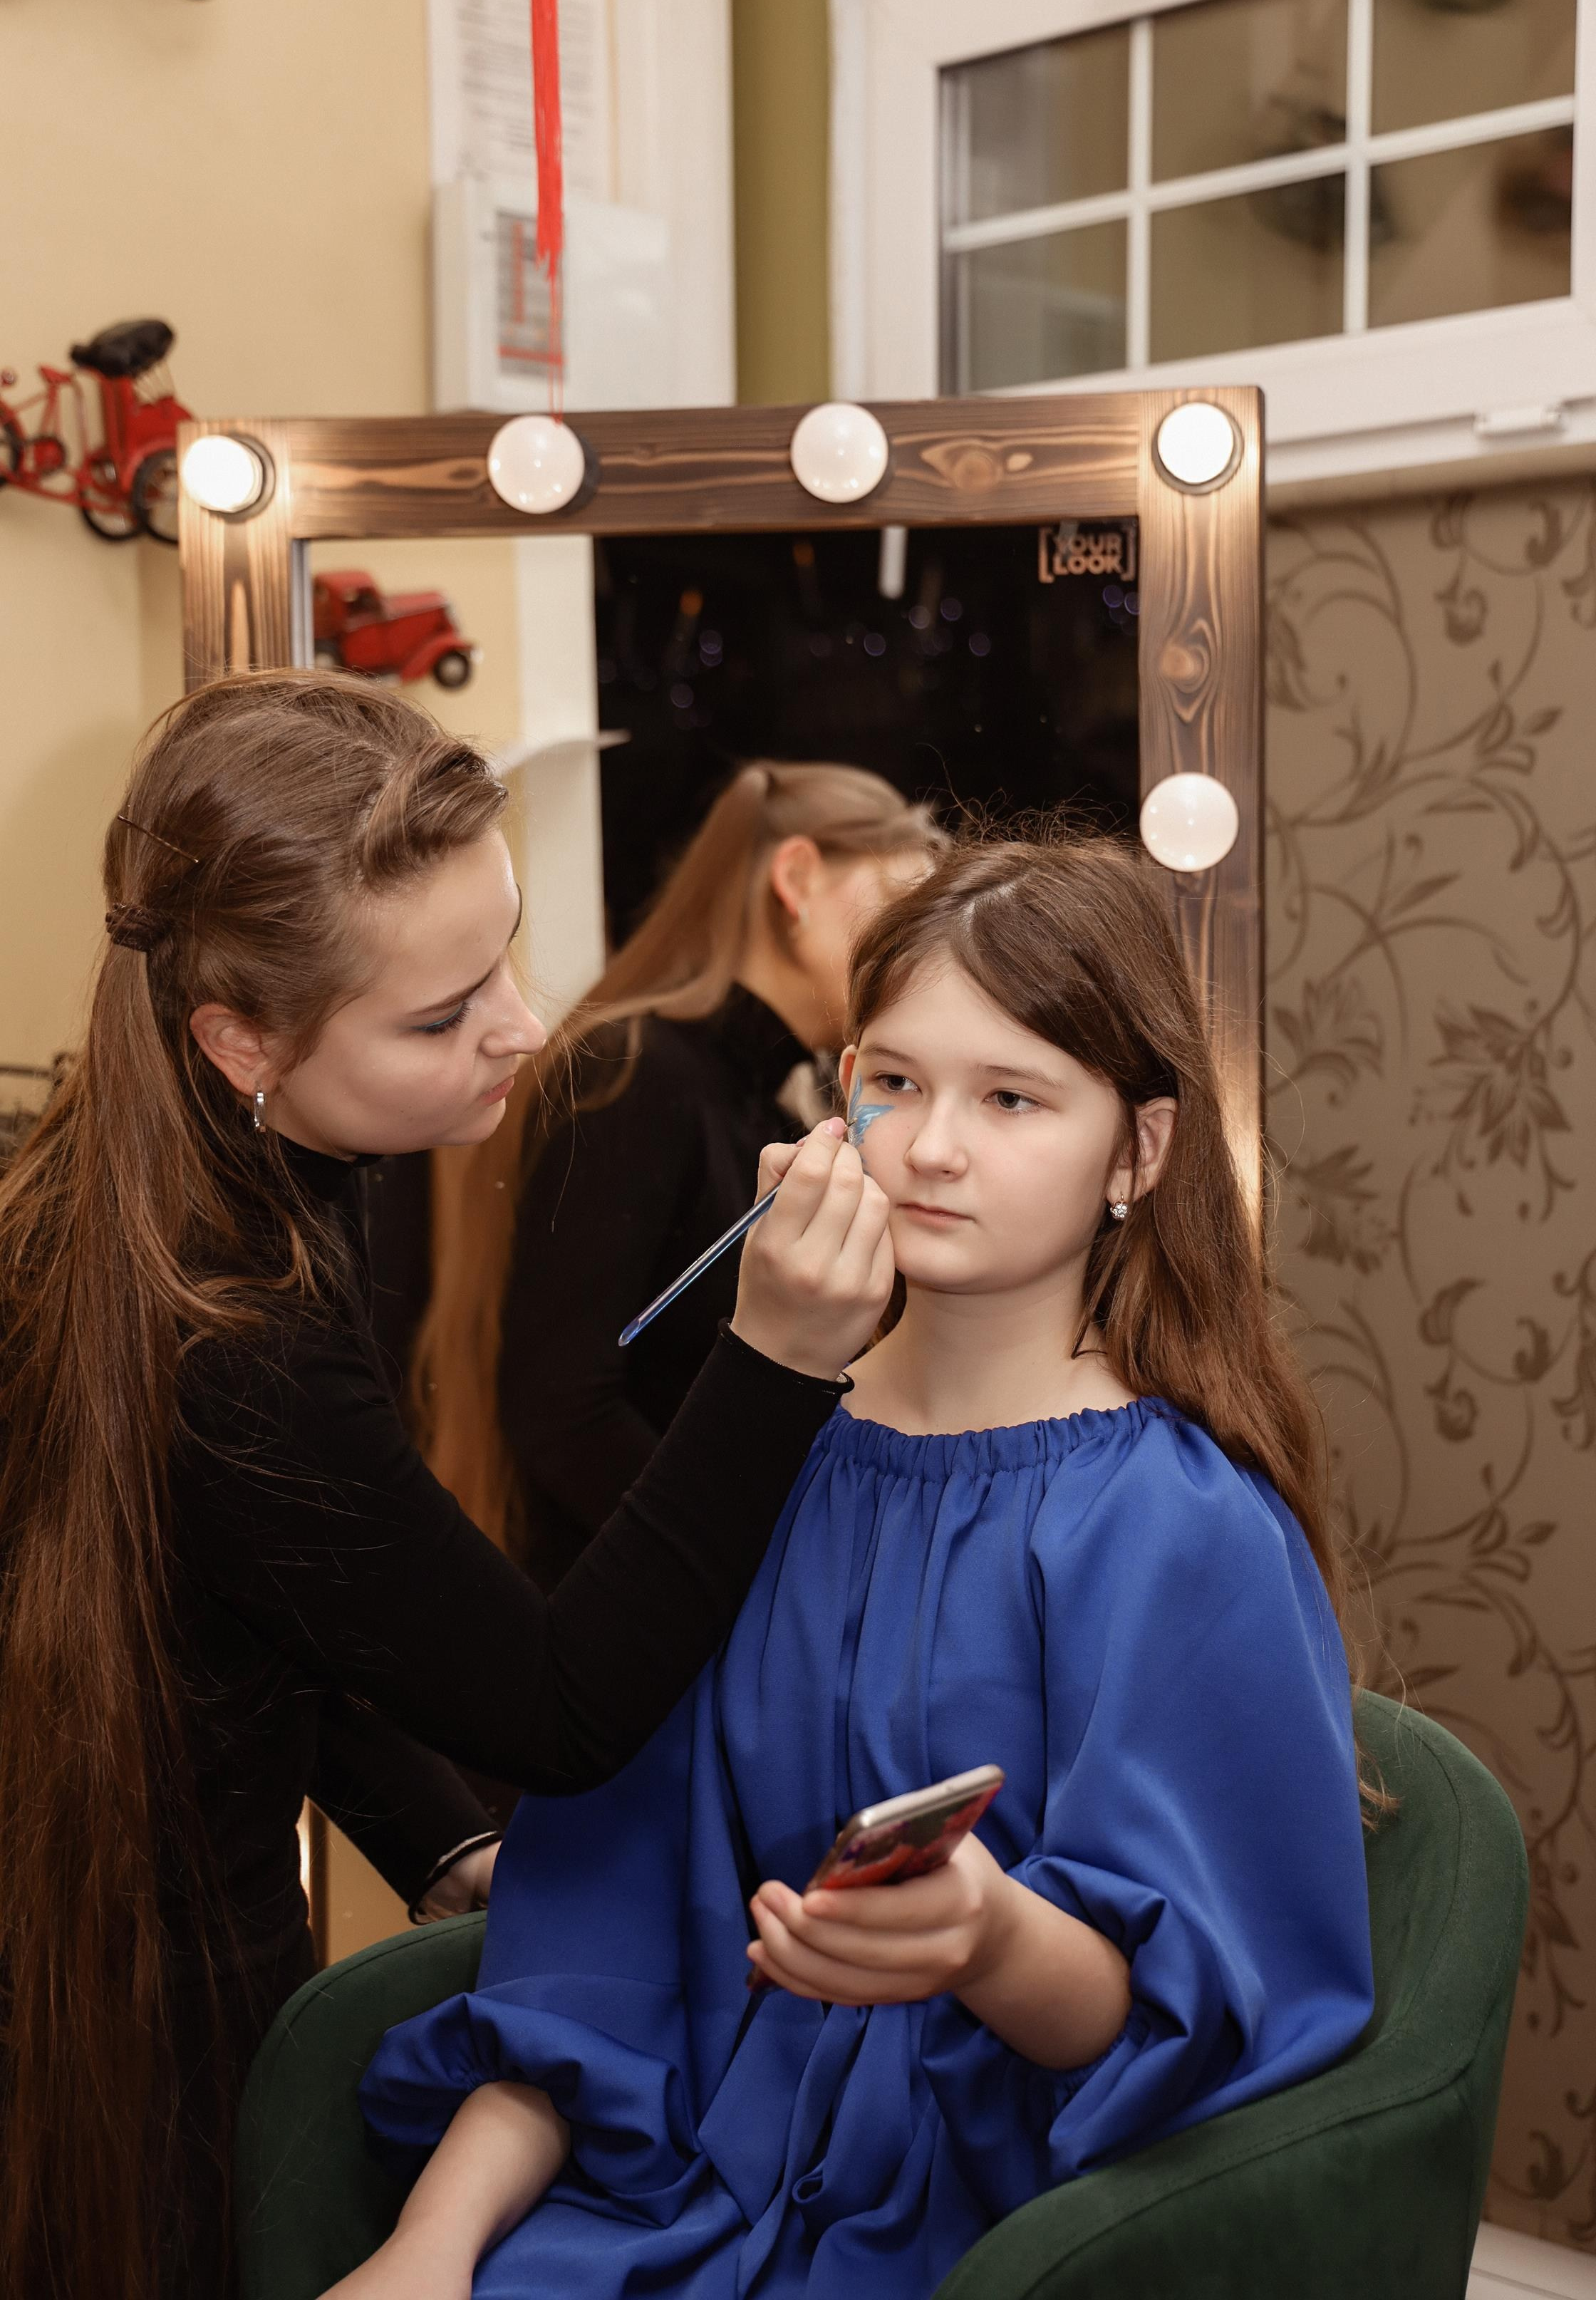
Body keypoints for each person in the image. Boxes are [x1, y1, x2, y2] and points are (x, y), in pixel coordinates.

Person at [337, 832, 1377, 2300]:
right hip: (682, 2181)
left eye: (1012, 1097)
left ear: (1136, 1150)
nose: (932, 1147)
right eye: (890, 1082)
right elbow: (595, 1949)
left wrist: (987, 1936)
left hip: (1011, 2233)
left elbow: (1195, 2031)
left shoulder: (1178, 1525)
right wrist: (431, 2248)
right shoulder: (755, 1472)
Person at [0, 673, 893, 2300]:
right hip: (122, 2007)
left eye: (505, 951)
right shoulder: (230, 1330)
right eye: (440, 1012)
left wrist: (432, 1835)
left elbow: (276, 1589)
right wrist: (775, 1364)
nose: (526, 1024)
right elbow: (561, 1710)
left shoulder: (148, 1178)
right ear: (240, 1037)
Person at [418, 759, 938, 1584]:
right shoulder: (637, 1075)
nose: (913, 954)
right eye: (897, 908)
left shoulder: (753, 1100)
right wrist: (750, 1573)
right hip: (615, 1611)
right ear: (796, 878)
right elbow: (561, 1409)